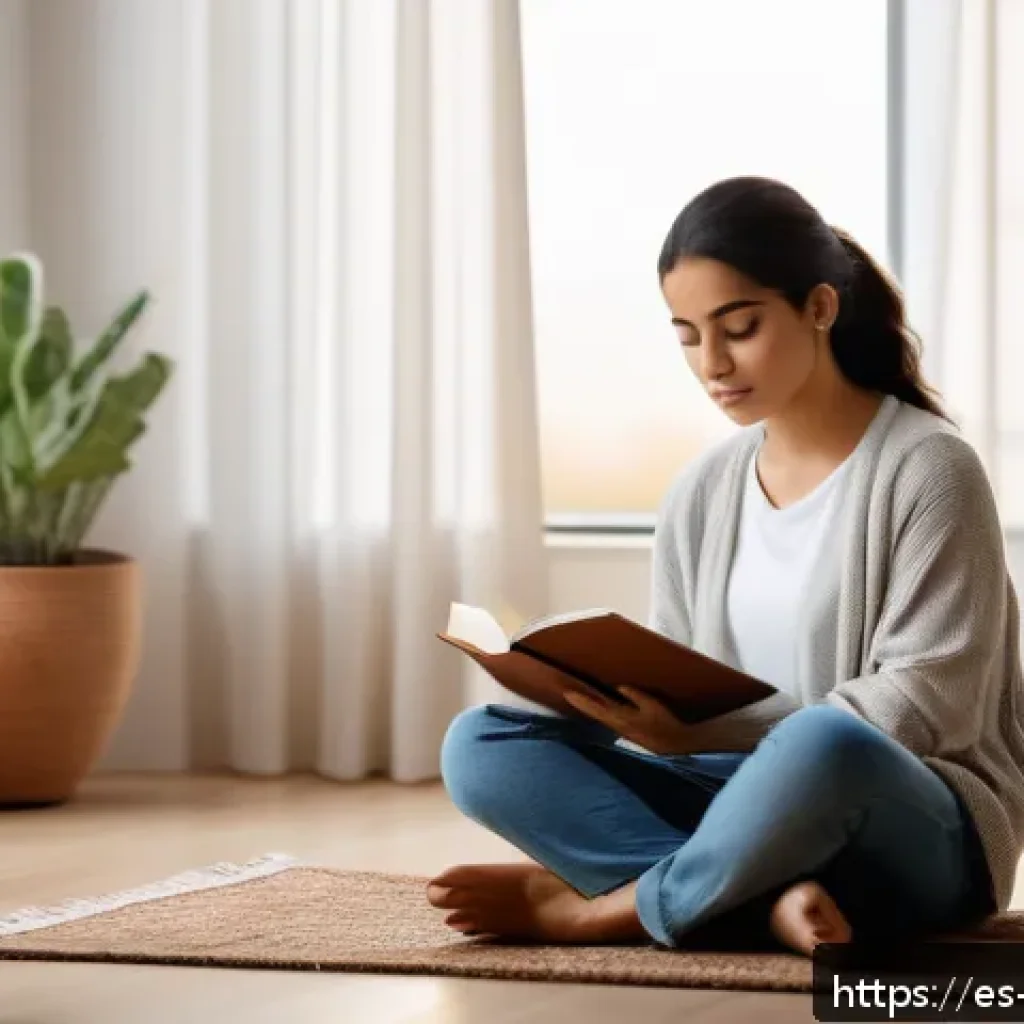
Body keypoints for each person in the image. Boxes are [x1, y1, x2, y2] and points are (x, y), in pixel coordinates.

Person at [426, 176, 1024, 957]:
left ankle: (612, 908)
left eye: (739, 327)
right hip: (739, 805)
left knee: (822, 745)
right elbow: (689, 682)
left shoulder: (929, 470)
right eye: (686, 336)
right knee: (481, 744)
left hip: (914, 827)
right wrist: (607, 697)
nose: (712, 363)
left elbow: (926, 707)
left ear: (819, 307)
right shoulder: (702, 490)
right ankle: (756, 902)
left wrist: (729, 733)